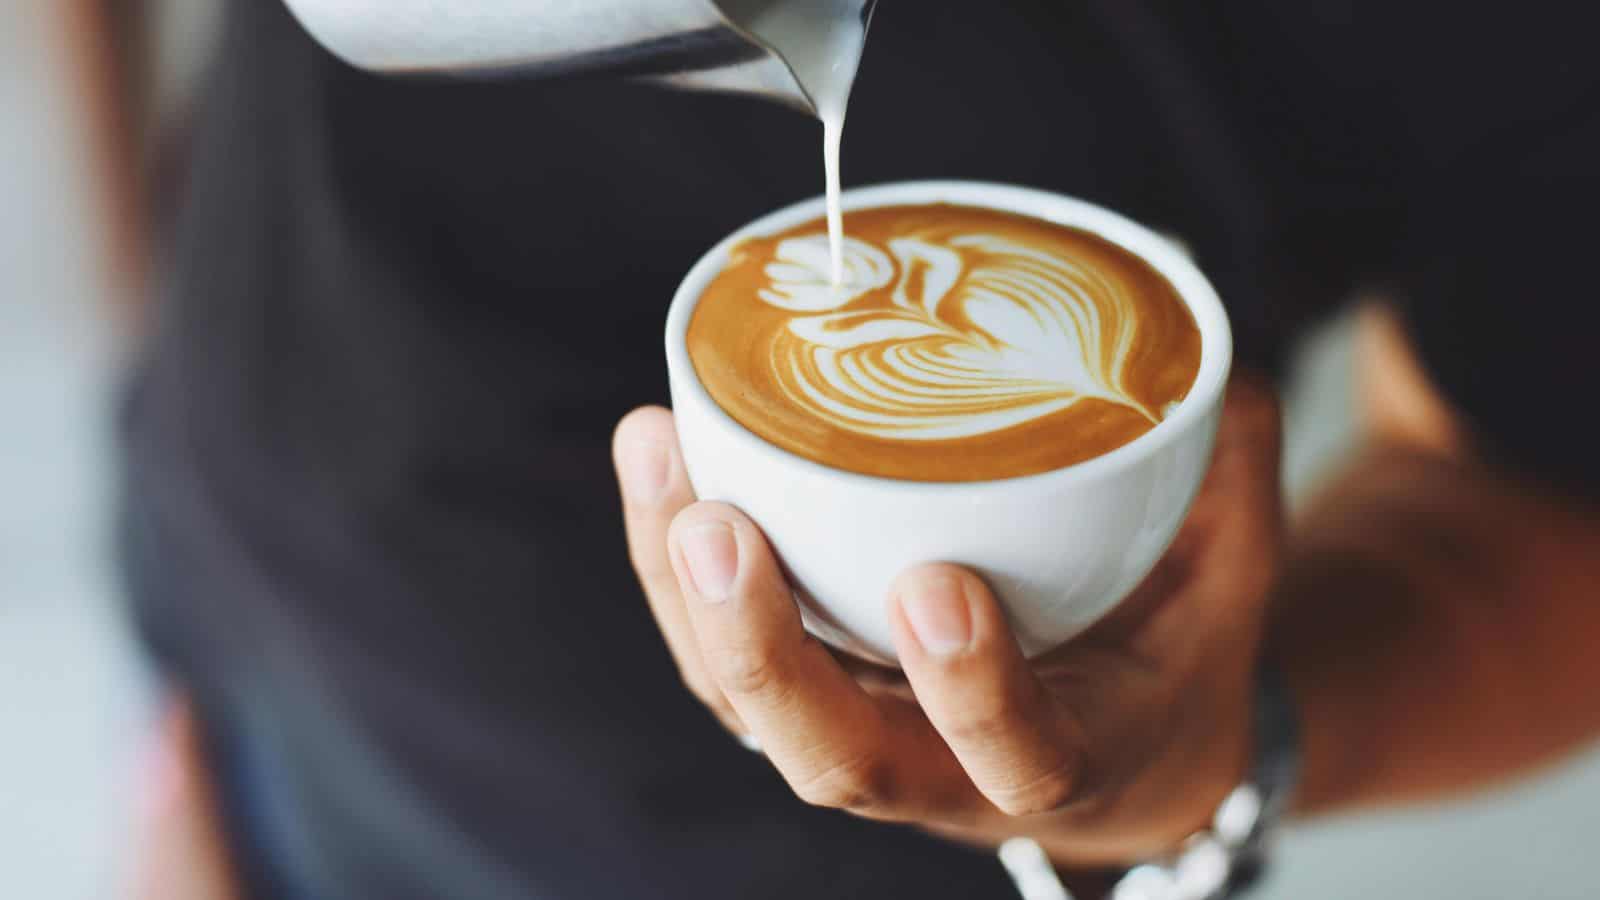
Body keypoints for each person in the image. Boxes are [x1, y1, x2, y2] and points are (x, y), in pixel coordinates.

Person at [68, 0, 1600, 897]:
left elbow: (1545, 488)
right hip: (240, 624)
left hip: (851, 858)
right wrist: (133, 278)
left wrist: (1225, 753)